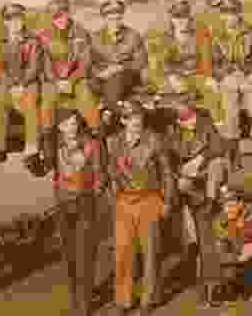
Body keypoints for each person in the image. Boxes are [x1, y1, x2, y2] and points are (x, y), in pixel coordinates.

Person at [27, 108, 107, 316]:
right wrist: (32, 161)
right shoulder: (56, 145)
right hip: (63, 206)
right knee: (69, 255)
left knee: (86, 254)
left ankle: (85, 304)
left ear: (79, 124)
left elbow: (100, 174)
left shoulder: (92, 145)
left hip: (84, 203)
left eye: (74, 123)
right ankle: (75, 299)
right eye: (66, 124)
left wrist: (94, 189)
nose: (70, 128)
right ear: (59, 127)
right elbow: (44, 169)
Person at [105, 99, 177, 316]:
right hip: (124, 202)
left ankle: (149, 299)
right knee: (123, 252)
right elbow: (111, 172)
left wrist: (167, 200)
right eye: (130, 117)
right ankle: (123, 300)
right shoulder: (114, 142)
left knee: (151, 252)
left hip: (149, 200)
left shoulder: (155, 140)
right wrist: (114, 196)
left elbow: (167, 173)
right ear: (123, 120)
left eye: (138, 117)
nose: (135, 121)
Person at [164, 93, 228, 307]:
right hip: (179, 187)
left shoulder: (205, 123)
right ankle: (187, 280)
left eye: (182, 101)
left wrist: (201, 159)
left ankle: (212, 286)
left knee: (206, 237)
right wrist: (179, 177)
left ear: (190, 103)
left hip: (201, 189)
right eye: (175, 102)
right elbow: (166, 158)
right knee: (183, 239)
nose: (179, 106)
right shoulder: (171, 127)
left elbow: (219, 148)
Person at [38, 0, 102, 165]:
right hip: (54, 80)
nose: (60, 20)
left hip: (77, 77)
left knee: (87, 98)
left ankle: (98, 139)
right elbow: (44, 63)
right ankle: (49, 152)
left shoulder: (80, 32)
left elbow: (85, 62)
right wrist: (56, 81)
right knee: (47, 104)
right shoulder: (43, 36)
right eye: (55, 17)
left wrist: (71, 80)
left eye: (62, 15)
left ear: (68, 13)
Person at [210, 0, 252, 173]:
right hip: (228, 76)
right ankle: (234, 160)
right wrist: (221, 77)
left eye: (233, 13)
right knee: (230, 110)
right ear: (221, 15)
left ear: (239, 14)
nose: (230, 17)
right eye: (226, 13)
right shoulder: (216, 34)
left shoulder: (251, 32)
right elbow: (213, 62)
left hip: (249, 75)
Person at [146, 0, 222, 126]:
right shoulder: (165, 37)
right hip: (175, 77)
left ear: (189, 18)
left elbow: (209, 57)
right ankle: (187, 126)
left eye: (184, 17)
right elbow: (161, 63)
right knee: (181, 94)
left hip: (198, 74)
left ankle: (219, 128)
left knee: (212, 94)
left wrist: (210, 77)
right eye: (177, 17)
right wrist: (171, 76)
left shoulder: (201, 33)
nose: (180, 21)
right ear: (171, 18)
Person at [0, 3, 44, 163]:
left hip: (28, 82)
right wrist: (11, 86)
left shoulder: (33, 40)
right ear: (5, 22)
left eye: (18, 19)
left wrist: (21, 85)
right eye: (10, 19)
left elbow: (34, 67)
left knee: (31, 105)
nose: (15, 23)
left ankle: (32, 150)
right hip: (6, 83)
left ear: (23, 20)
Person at [90, 0, 148, 126]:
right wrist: (101, 73)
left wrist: (120, 67)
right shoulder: (95, 37)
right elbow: (90, 62)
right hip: (103, 76)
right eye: (111, 18)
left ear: (122, 17)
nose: (114, 21)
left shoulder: (133, 35)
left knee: (115, 80)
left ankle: (112, 112)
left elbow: (141, 61)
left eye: (118, 18)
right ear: (104, 18)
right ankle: (110, 114)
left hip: (127, 75)